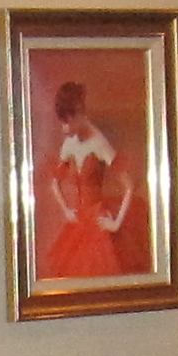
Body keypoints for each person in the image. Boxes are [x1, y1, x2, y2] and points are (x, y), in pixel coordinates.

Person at [36, 80, 142, 280]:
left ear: (79, 113)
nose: (64, 128)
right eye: (62, 122)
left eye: (68, 121)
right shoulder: (69, 143)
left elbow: (129, 186)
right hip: (79, 222)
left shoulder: (99, 143)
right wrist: (67, 210)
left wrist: (116, 223)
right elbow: (54, 183)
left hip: (97, 221)